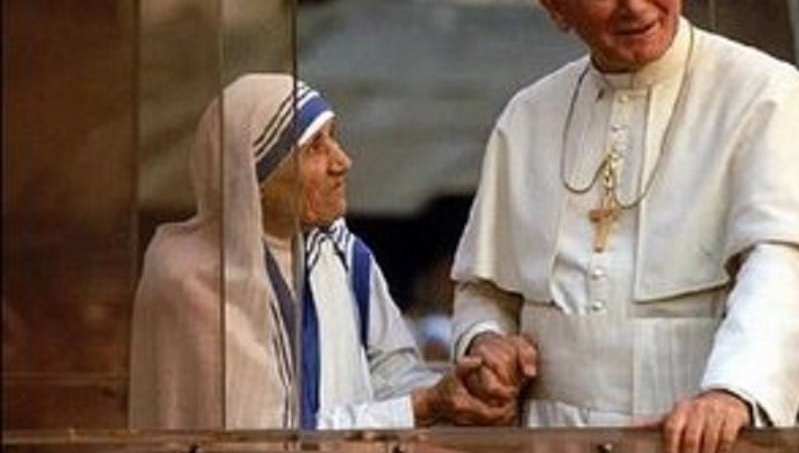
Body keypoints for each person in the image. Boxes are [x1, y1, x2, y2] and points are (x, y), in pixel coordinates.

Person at [450, 0, 799, 453]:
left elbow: (784, 266)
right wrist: (486, 339)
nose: (635, 5)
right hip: (551, 437)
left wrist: (733, 392)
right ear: (555, 6)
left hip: (701, 431)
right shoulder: (529, 113)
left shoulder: (764, 93)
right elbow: (484, 285)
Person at [129, 73, 514, 430]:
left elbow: (390, 373)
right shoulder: (193, 276)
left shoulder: (343, 254)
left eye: (334, 137)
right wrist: (422, 405)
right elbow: (258, 435)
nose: (342, 161)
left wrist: (461, 388)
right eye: (315, 147)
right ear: (254, 175)